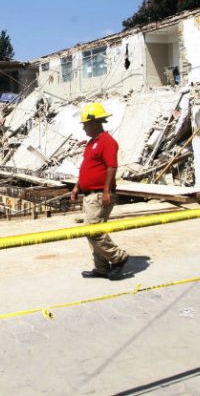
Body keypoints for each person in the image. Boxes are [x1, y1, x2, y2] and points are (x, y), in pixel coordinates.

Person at [70, 102, 130, 280]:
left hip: (99, 194)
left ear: (95, 123)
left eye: (86, 124)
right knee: (93, 232)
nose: (84, 128)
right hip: (89, 194)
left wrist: (106, 191)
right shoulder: (92, 143)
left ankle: (118, 257)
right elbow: (87, 167)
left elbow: (112, 166)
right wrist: (77, 186)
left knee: (92, 230)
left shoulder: (107, 142)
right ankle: (101, 268)